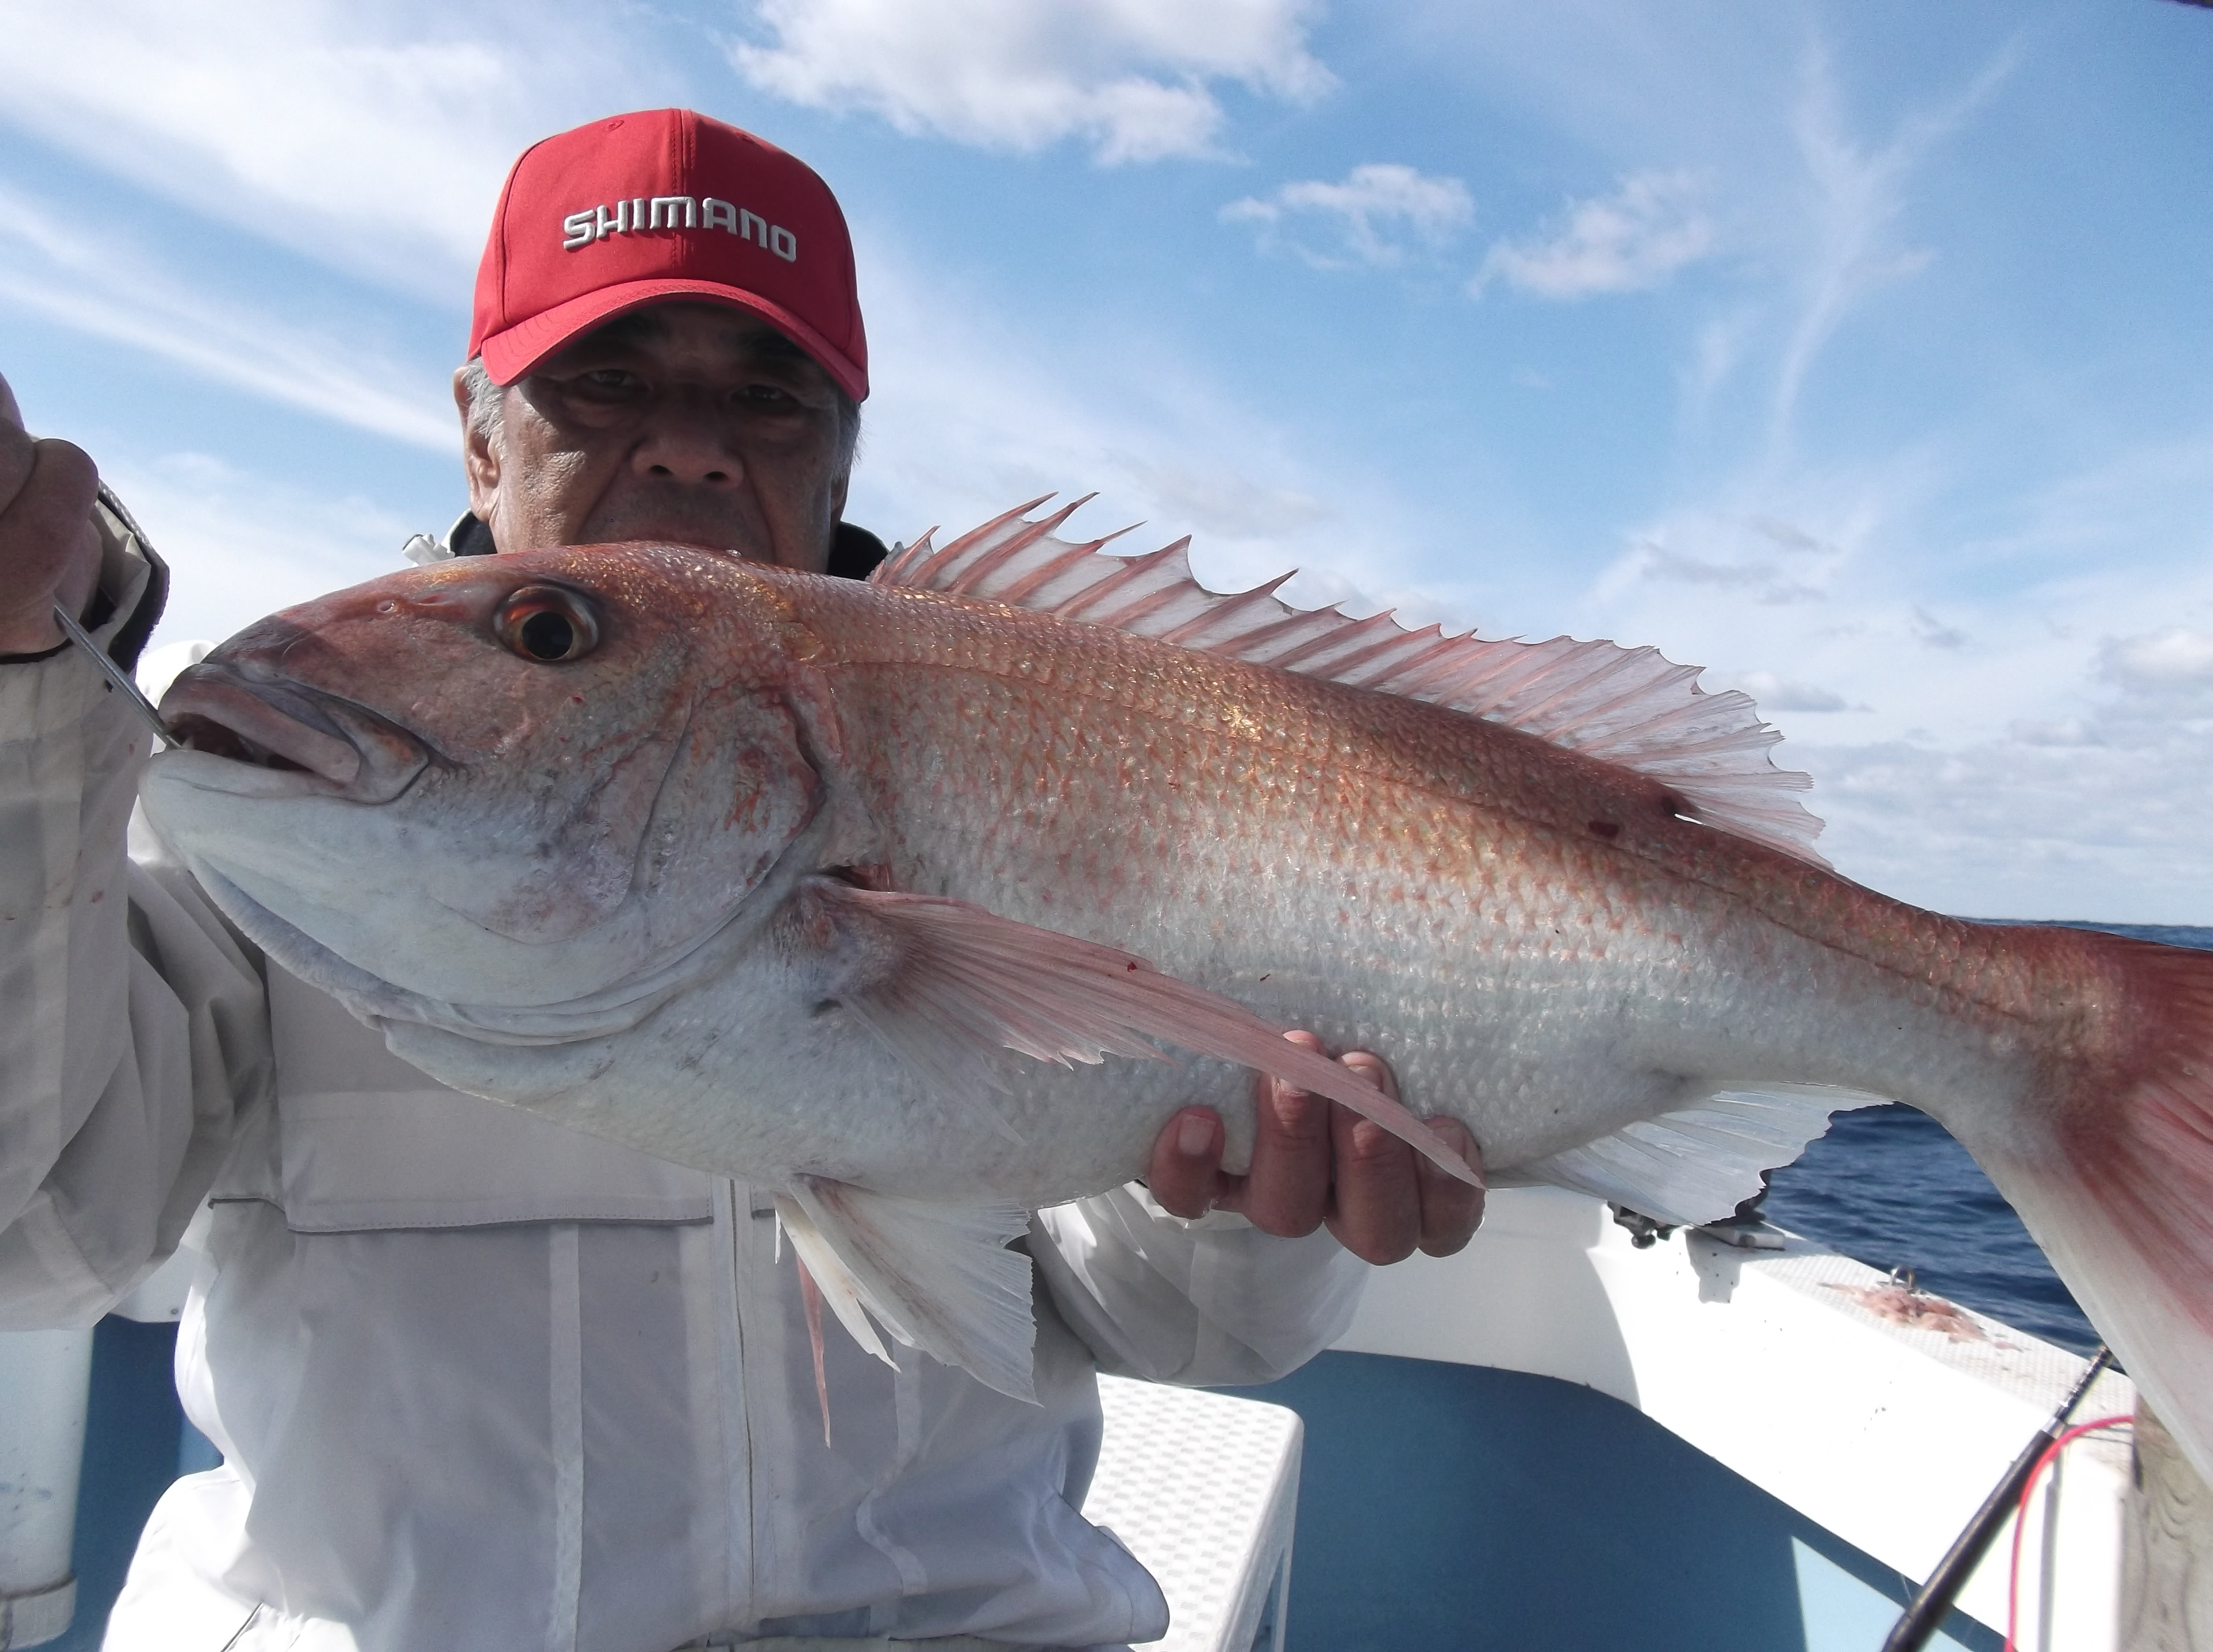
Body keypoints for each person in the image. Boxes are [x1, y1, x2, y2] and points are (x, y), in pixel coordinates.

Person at [0, 109, 1481, 1652]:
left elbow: (1183, 1323)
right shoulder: (293, 796)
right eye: (608, 379)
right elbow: (32, 1243)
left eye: (768, 397)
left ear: (844, 444)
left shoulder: (1037, 760)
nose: (694, 443)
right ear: (478, 429)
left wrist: (1263, 1203)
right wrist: (19, 706)